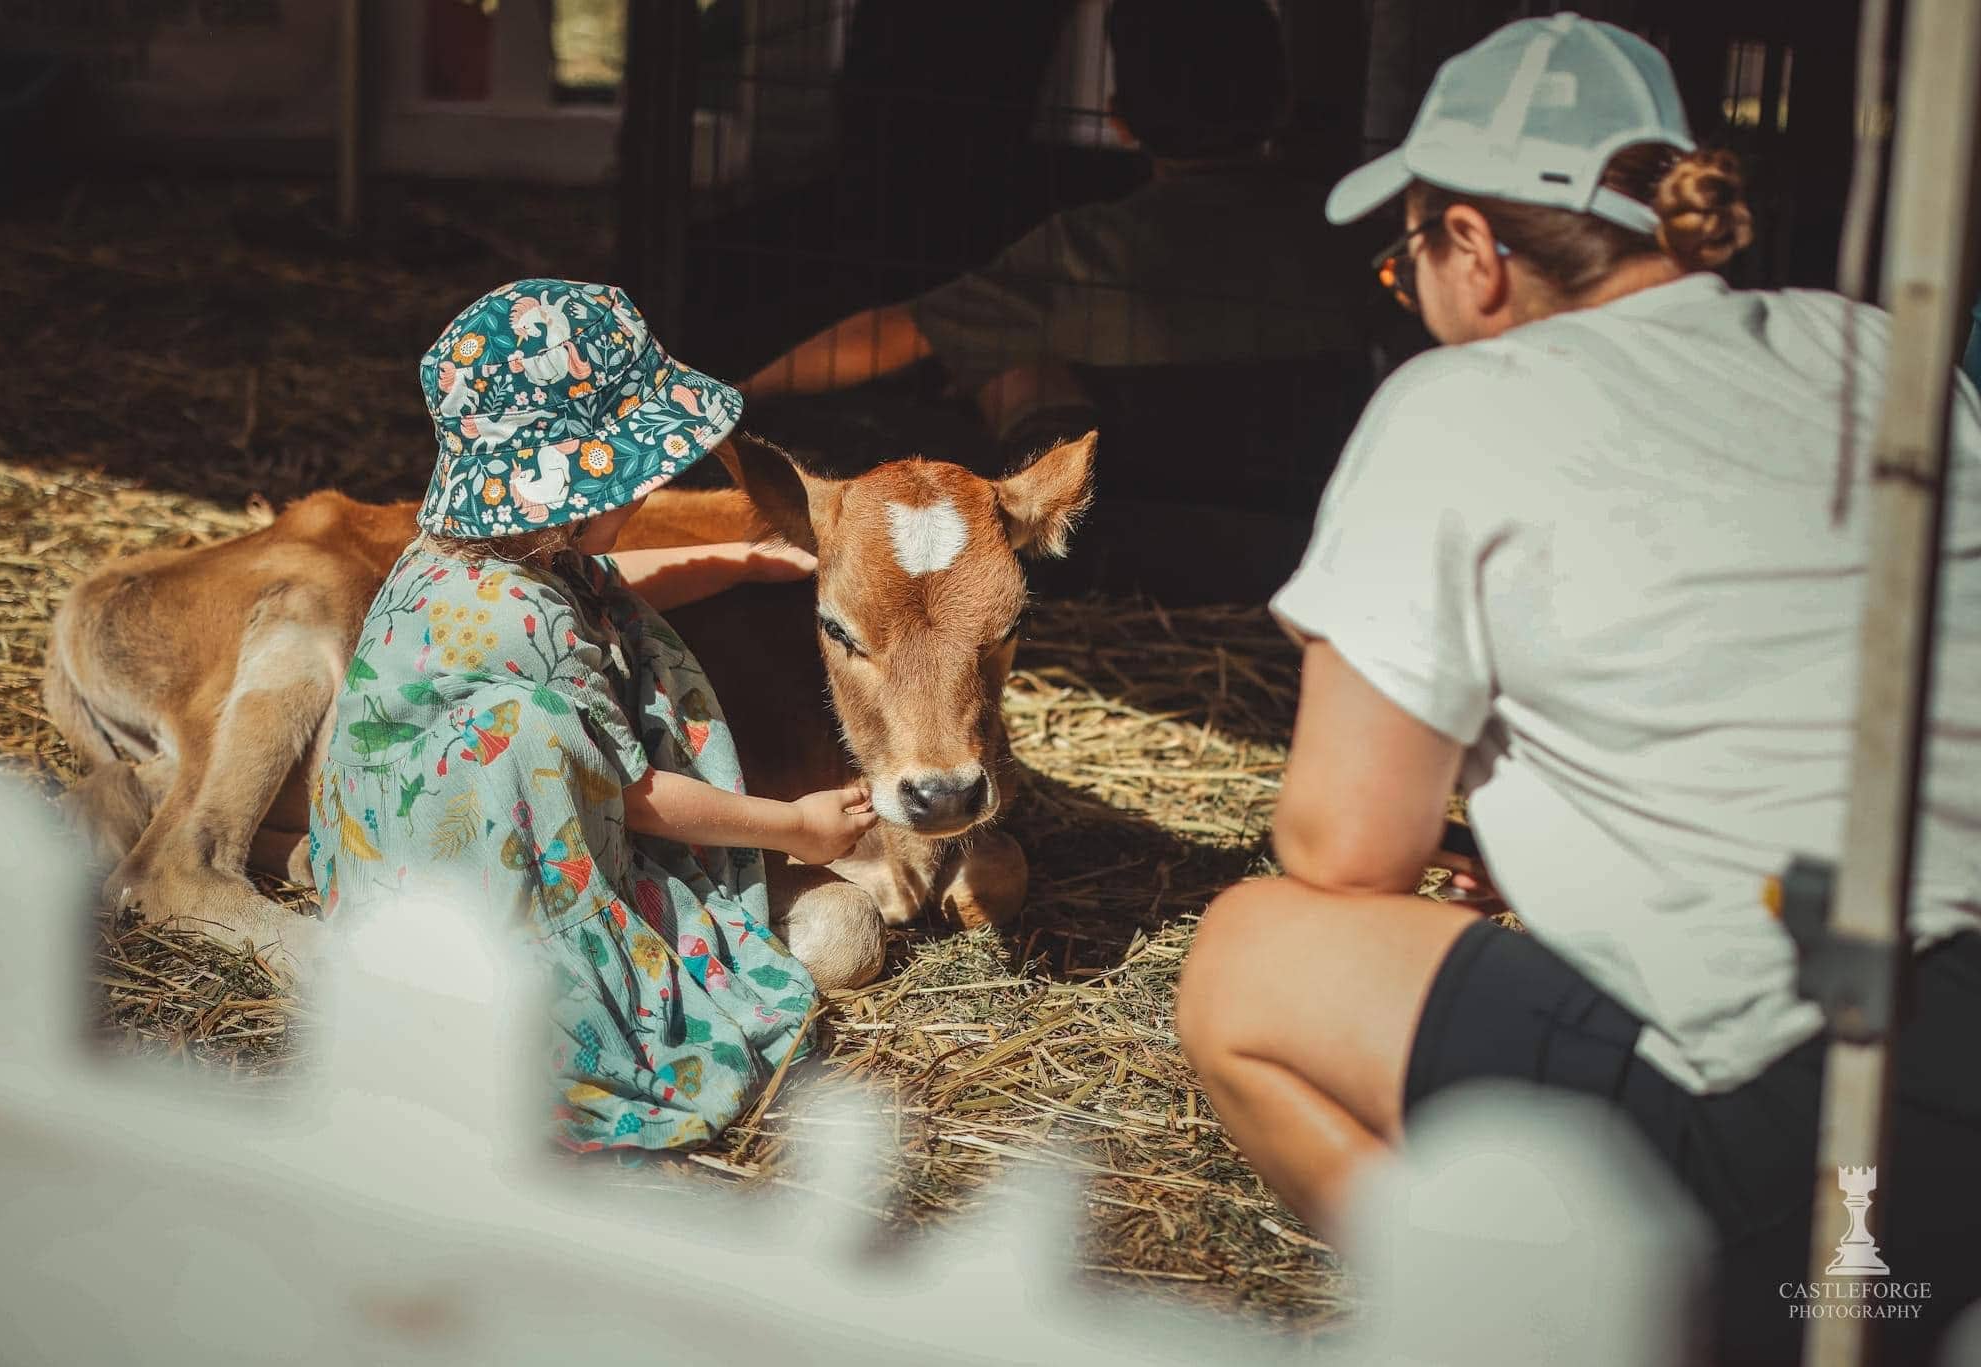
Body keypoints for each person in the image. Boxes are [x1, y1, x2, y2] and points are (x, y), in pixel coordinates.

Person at [1173, 15, 1981, 1364]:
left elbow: (1342, 843)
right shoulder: (1884, 356)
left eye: (1405, 259)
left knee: (1251, 957)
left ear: (1474, 251)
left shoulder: (1454, 403)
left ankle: (1546, 1325)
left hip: (1833, 1118)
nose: (1411, 289)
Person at [309, 279, 878, 1153]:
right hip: (478, 885)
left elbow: (613, 591)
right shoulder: (525, 620)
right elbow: (637, 795)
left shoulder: (462, 560)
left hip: (384, 844)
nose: (648, 492)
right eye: (633, 474)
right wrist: (792, 827)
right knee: (725, 1000)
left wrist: (735, 558)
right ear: (562, 480)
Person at [737, 0, 1367, 447]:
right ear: (1282, 103)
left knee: (999, 361)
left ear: (1118, 118)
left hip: (1142, 493)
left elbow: (895, 334)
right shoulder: (1349, 231)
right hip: (1303, 475)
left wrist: (743, 394)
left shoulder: (1085, 250)